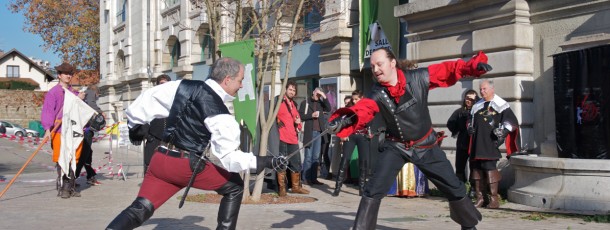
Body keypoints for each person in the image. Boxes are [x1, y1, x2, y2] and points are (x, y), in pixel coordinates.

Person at [106, 58, 281, 230]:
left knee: (140, 208)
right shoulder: (220, 113)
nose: (241, 85)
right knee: (234, 187)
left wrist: (134, 126)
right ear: (227, 79)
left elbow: (147, 98)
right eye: (240, 80)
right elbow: (228, 158)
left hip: (160, 159)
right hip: (185, 165)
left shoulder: (182, 86)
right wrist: (266, 162)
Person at [328, 47, 491, 230]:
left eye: (379, 64)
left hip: (425, 145)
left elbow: (447, 69)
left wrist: (472, 66)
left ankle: (469, 226)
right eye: (372, 66)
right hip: (395, 147)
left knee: (454, 186)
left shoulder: (418, 77)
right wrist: (345, 119)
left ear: (392, 63)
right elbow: (364, 109)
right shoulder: (376, 92)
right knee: (373, 189)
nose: (375, 70)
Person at [468, 79, 519, 209]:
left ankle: (494, 199)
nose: (482, 91)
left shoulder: (501, 104)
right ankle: (480, 198)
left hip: (490, 142)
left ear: (492, 89)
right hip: (477, 142)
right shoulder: (477, 105)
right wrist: (469, 127)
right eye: (480, 89)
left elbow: (511, 121)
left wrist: (504, 131)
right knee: (476, 171)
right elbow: (470, 120)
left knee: (490, 169)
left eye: (484, 89)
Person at [41, 62, 86, 199]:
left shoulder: (75, 93)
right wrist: (47, 128)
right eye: (65, 73)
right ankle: (63, 187)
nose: (68, 76)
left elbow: (80, 112)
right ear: (59, 75)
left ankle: (70, 186)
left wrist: (80, 101)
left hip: (73, 131)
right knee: (62, 159)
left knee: (73, 158)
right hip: (59, 130)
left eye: (70, 73)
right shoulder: (53, 93)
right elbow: (48, 111)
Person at [332, 90, 372, 196]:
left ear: (362, 98)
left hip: (363, 136)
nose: (354, 101)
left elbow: (371, 122)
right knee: (345, 159)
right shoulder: (350, 109)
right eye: (353, 99)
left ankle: (362, 188)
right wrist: (342, 135)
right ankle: (337, 187)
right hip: (351, 136)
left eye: (356, 99)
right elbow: (342, 122)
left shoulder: (368, 109)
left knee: (364, 161)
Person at [275, 81, 309, 196]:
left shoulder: (293, 104)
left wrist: (298, 123)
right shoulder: (278, 102)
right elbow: (271, 116)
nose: (292, 92)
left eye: (294, 90)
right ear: (285, 89)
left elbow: (298, 121)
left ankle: (295, 187)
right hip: (282, 137)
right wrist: (277, 121)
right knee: (282, 163)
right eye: (290, 89)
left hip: (293, 138)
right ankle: (282, 189)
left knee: (296, 163)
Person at [447, 89, 480, 190]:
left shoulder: (478, 112)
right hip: (462, 143)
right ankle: (461, 187)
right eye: (467, 98)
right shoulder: (460, 112)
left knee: (473, 166)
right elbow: (450, 123)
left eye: (471, 99)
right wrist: (458, 128)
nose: (468, 101)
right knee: (460, 166)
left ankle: (473, 188)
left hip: (474, 143)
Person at [299, 87, 331, 185]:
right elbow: (301, 116)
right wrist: (311, 115)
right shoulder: (306, 102)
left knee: (316, 157)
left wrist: (324, 96)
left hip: (319, 133)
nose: (317, 94)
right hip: (309, 132)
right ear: (313, 92)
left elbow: (329, 108)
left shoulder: (321, 104)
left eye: (319, 93)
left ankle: (313, 178)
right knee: (308, 156)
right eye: (316, 92)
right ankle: (305, 178)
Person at [75, 84, 104, 186]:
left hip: (84, 130)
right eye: (98, 95)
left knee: (88, 154)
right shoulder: (90, 94)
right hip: (86, 131)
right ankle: (73, 178)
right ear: (96, 93)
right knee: (84, 155)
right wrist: (100, 112)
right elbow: (92, 105)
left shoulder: (84, 97)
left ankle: (90, 176)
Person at [141, 74, 172, 173]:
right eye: (162, 83)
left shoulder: (174, 99)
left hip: (169, 140)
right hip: (153, 138)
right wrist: (147, 135)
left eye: (166, 84)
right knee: (150, 165)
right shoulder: (150, 99)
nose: (164, 86)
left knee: (168, 167)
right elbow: (141, 117)